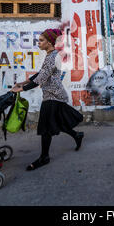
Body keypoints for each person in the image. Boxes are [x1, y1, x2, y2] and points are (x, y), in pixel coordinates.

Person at [11, 28, 84, 170]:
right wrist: (23, 83)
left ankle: (44, 157)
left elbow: (42, 78)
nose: (38, 43)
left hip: (53, 95)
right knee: (57, 123)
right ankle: (77, 135)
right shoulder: (51, 55)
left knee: (45, 128)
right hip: (54, 94)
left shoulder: (52, 57)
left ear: (50, 42)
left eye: (41, 40)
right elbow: (41, 73)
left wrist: (22, 89)